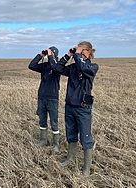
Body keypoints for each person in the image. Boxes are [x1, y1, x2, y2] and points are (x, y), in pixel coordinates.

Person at [50, 41, 99, 176]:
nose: (79, 53)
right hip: (70, 106)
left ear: (89, 52)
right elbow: (57, 69)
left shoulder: (92, 67)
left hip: (83, 109)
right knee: (71, 134)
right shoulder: (73, 67)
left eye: (82, 50)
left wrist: (77, 55)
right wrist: (67, 55)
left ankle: (86, 168)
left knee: (86, 137)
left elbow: (83, 68)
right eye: (78, 50)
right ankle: (70, 159)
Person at [28, 46, 61, 154]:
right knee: (42, 120)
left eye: (50, 54)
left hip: (52, 98)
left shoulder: (58, 66)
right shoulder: (45, 66)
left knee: (54, 122)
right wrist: (40, 55)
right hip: (42, 97)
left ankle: (56, 145)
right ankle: (43, 140)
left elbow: (55, 68)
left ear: (54, 55)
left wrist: (51, 56)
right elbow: (31, 66)